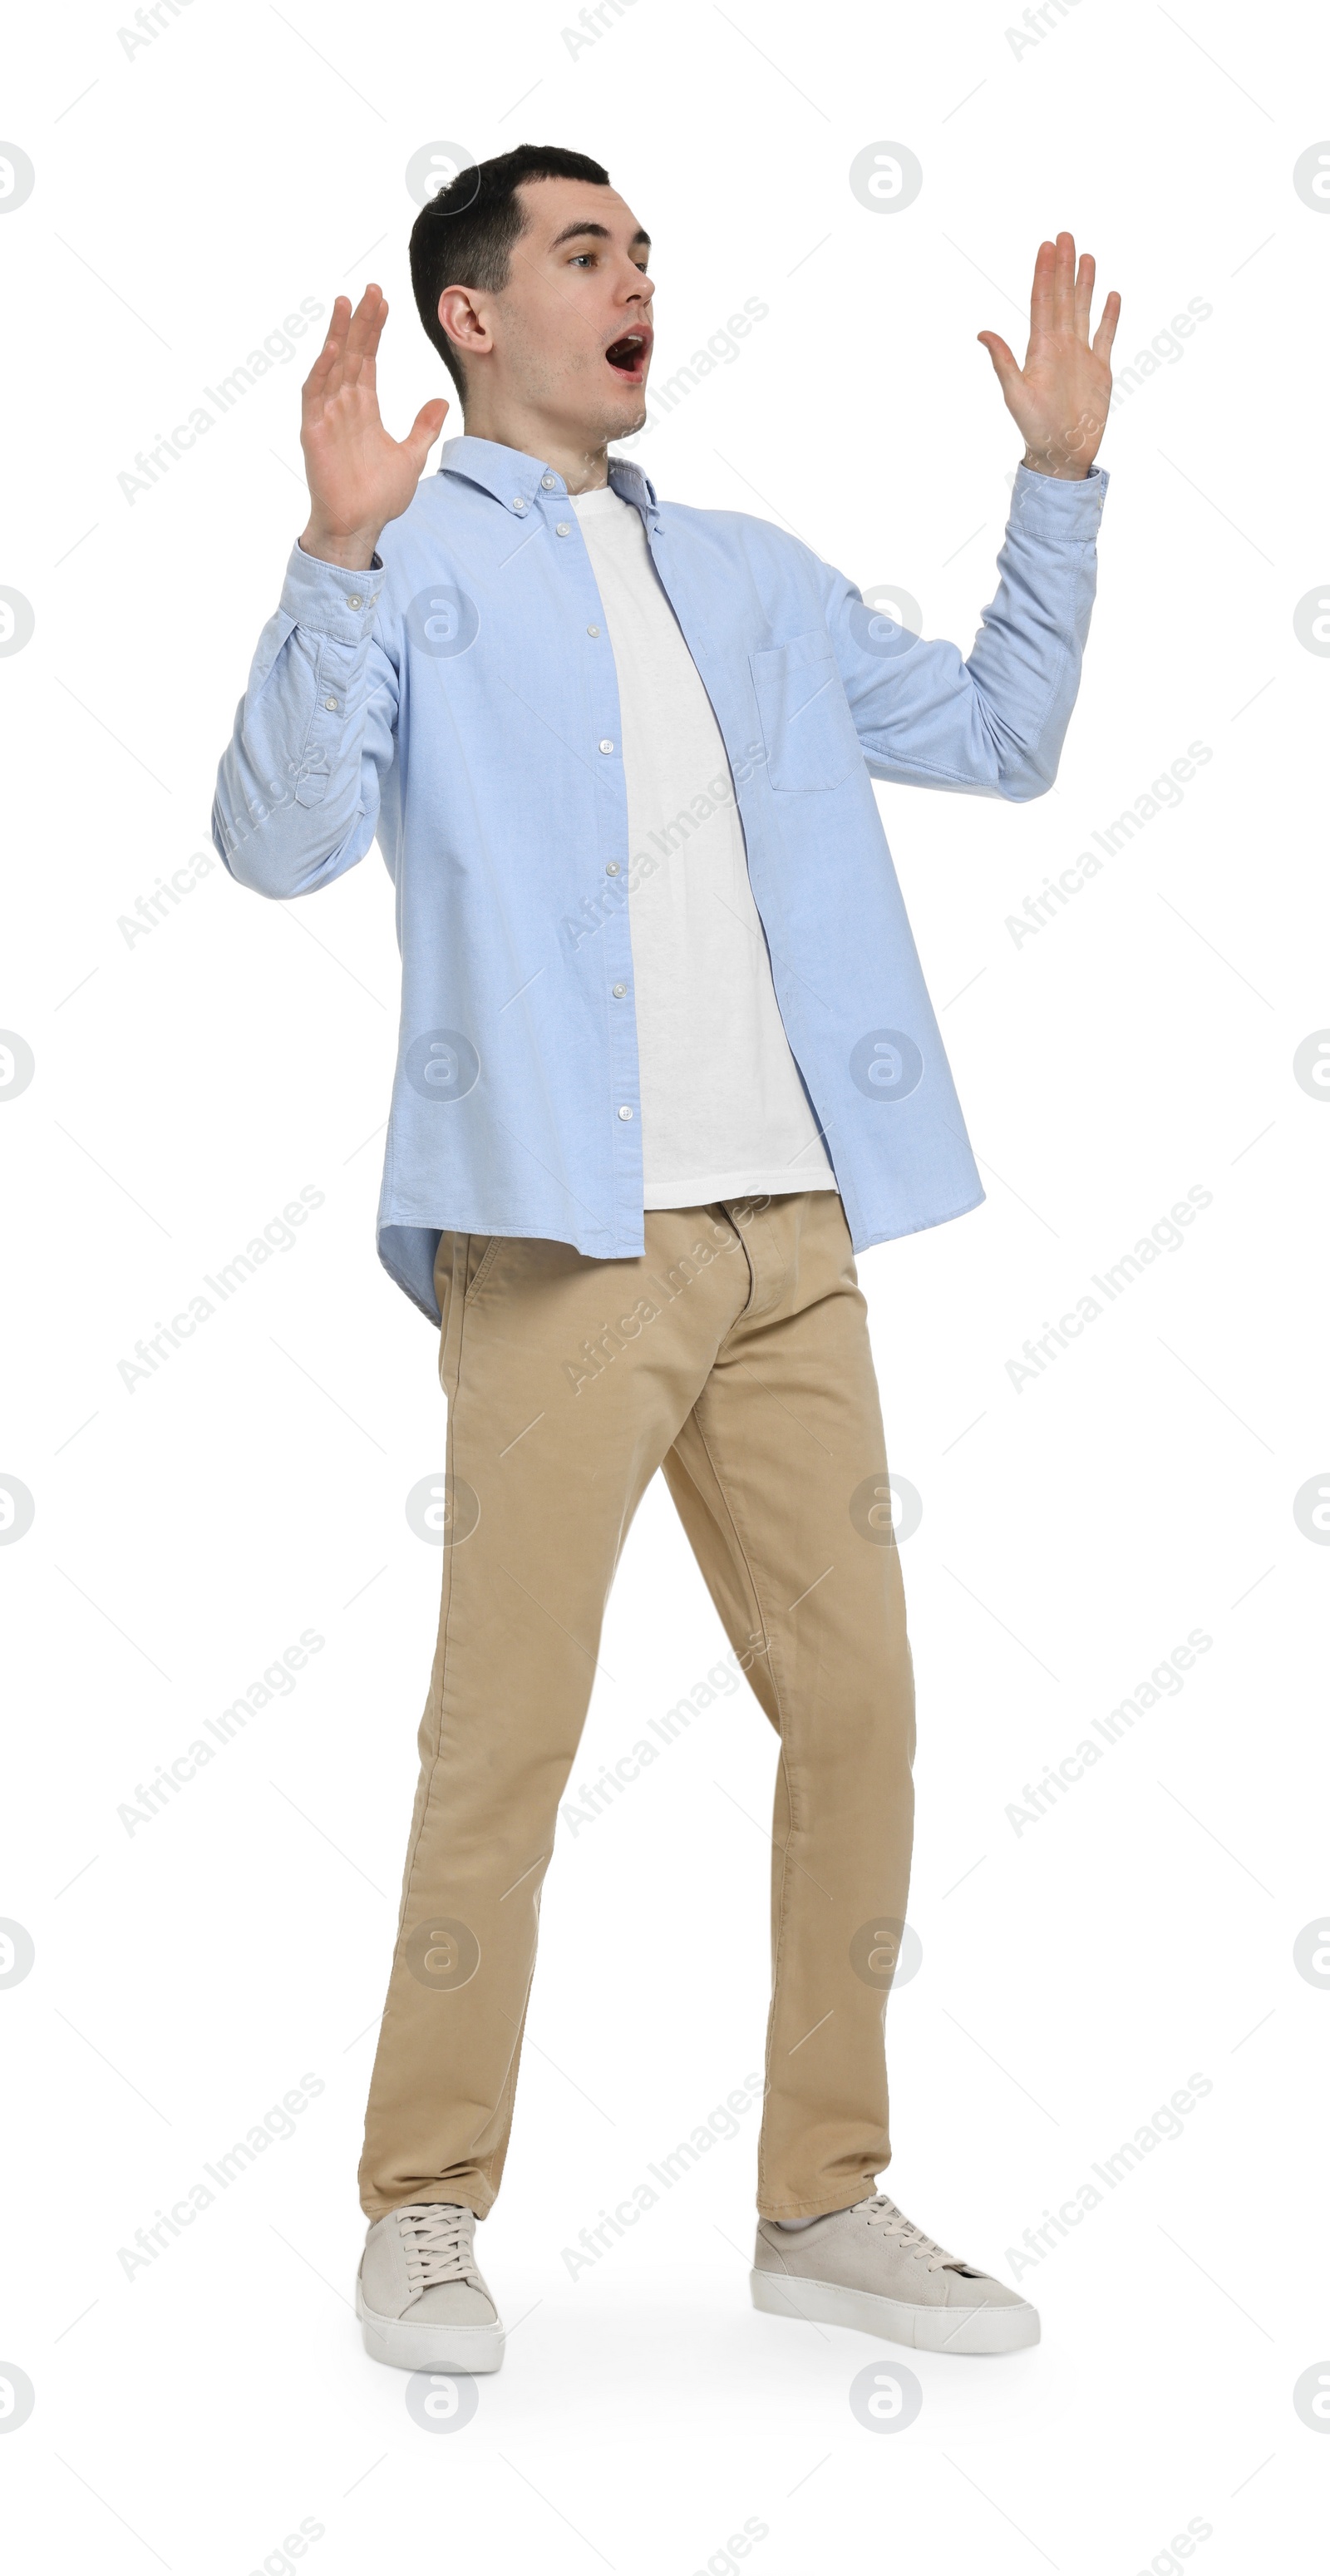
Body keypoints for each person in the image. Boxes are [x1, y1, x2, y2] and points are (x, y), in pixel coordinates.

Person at [213, 142, 1118, 2373]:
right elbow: (273, 843)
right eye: (585, 251)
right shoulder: (412, 559)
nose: (637, 281)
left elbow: (1006, 734)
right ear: (474, 317)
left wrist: (1064, 485)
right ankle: (422, 2206)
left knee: (867, 1706)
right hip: (557, 1235)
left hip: (791, 1232)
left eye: (644, 253)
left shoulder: (750, 572)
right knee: (504, 1736)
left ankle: (823, 2193)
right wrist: (331, 549)